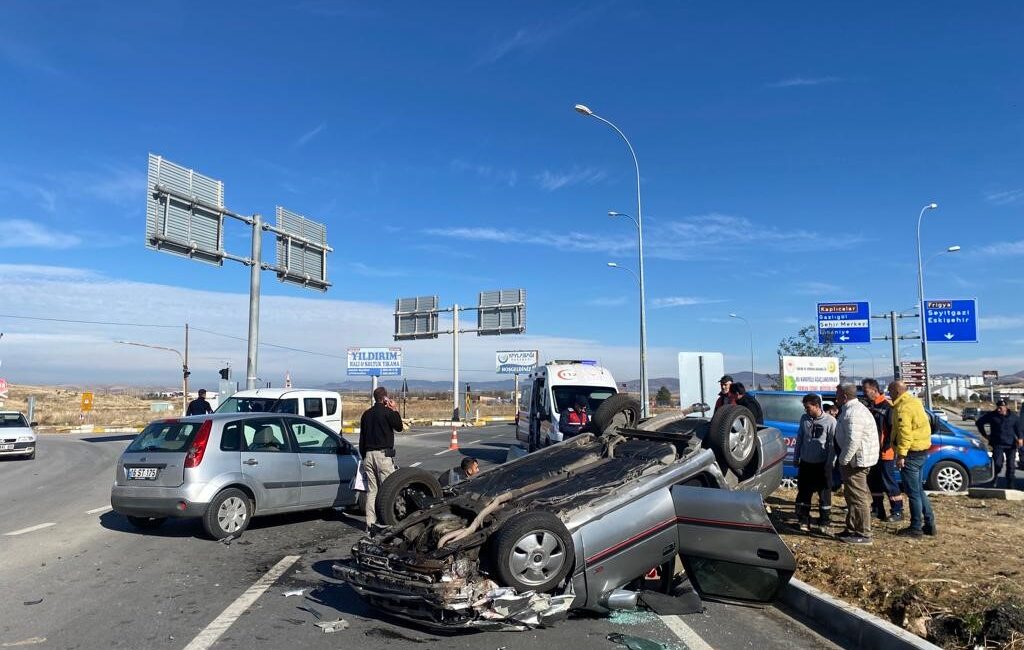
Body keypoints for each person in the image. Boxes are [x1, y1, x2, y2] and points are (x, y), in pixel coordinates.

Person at [889, 380, 936, 537]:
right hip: (921, 450)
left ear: (897, 391)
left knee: (913, 492)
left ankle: (916, 527)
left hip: (910, 454)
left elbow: (905, 433)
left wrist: (901, 454)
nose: (888, 393)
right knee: (919, 490)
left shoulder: (903, 408)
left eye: (890, 390)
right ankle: (929, 523)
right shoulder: (915, 402)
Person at [834, 383, 879, 544]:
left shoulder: (854, 413)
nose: (836, 397)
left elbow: (853, 440)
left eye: (837, 394)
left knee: (859, 497)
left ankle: (863, 533)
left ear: (845, 396)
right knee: (851, 495)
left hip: (856, 461)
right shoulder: (850, 409)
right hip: (853, 460)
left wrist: (844, 460)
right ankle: (852, 528)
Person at [359, 387, 403, 532]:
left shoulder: (366, 414)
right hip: (383, 456)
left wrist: (363, 456)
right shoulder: (387, 412)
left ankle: (370, 524)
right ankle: (387, 523)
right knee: (388, 490)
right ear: (385, 398)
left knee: (372, 491)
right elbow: (399, 427)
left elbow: (362, 438)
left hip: (368, 456)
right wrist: (395, 409)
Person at [861, 379, 904, 522]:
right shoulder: (869, 407)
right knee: (873, 481)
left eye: (866, 391)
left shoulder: (887, 407)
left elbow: (892, 430)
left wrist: (887, 446)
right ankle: (878, 509)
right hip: (872, 451)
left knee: (888, 481)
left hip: (885, 452)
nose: (865, 394)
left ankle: (897, 510)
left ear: (874, 390)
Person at [793, 393, 837, 532]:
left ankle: (824, 521)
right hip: (806, 463)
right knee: (804, 492)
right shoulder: (804, 419)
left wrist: (830, 462)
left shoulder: (830, 421)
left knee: (824, 494)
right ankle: (804, 519)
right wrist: (796, 456)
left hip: (822, 464)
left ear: (817, 406)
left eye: (808, 407)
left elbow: (832, 444)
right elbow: (800, 438)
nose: (806, 410)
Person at [976, 400, 1023, 488]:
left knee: (1011, 465)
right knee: (997, 463)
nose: (998, 409)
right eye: (997, 407)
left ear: (1006, 407)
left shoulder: (1013, 416)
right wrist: (985, 435)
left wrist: (1020, 438)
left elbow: (1018, 428)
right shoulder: (992, 415)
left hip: (1011, 444)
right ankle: (994, 478)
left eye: (1000, 408)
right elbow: (979, 423)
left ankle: (1010, 482)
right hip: (998, 444)